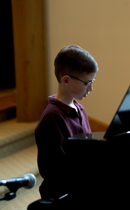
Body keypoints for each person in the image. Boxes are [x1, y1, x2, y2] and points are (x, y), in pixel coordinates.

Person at [35, 45, 98, 199]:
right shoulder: (52, 117)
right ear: (66, 80)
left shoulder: (79, 109)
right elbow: (59, 170)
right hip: (61, 192)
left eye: (93, 81)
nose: (91, 88)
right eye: (86, 83)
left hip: (79, 183)